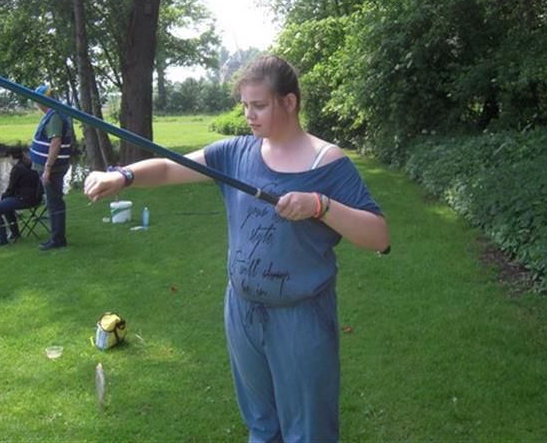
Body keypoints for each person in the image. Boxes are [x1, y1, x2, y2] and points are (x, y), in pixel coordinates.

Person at [84, 55, 389, 442]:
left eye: (258, 105)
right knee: (261, 424)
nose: (248, 115)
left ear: (289, 102)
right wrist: (123, 176)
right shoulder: (236, 153)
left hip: (300, 316)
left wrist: (320, 205)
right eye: (244, 105)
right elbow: (169, 167)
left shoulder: (326, 161)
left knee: (308, 430)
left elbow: (379, 236)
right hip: (242, 310)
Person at [29, 84, 73, 251]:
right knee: (54, 202)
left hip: (53, 169)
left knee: (54, 203)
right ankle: (57, 237)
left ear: (41, 101)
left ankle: (58, 239)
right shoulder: (54, 113)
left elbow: (55, 142)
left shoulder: (54, 116)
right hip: (54, 167)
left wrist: (47, 168)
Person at [0, 146, 42, 247]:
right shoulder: (30, 164)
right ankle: (14, 234)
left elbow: (10, 190)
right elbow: (12, 191)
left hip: (25, 200)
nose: (8, 160)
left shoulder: (17, 169)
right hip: (36, 199)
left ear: (11, 156)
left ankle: (2, 240)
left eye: (7, 157)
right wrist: (3, 196)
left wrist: (2, 196)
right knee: (5, 204)